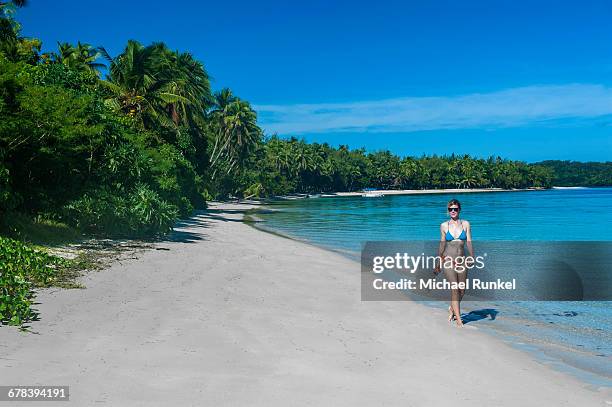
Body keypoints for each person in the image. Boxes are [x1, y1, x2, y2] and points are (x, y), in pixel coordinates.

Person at [434, 199, 473, 327]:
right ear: (448, 211)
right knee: (455, 289)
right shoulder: (444, 226)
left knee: (462, 290)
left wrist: (472, 256)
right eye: (451, 209)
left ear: (459, 210)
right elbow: (442, 245)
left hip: (462, 260)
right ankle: (459, 319)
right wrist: (438, 262)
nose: (453, 211)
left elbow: (469, 242)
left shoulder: (466, 224)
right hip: (448, 260)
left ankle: (452, 308)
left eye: (455, 209)